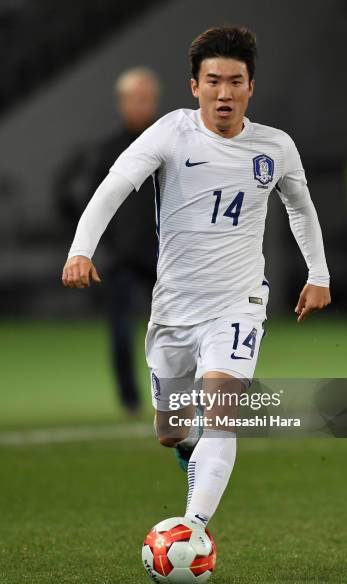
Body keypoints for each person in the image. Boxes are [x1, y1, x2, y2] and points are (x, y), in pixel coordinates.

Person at [62, 26, 331, 528]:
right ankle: (189, 452)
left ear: (252, 86)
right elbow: (114, 186)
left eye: (235, 81)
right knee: (171, 430)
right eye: (213, 81)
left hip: (239, 304)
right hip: (174, 308)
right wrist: (81, 250)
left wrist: (319, 273)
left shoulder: (276, 147)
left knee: (222, 417)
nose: (224, 93)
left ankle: (193, 530)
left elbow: (301, 209)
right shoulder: (171, 132)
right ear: (194, 86)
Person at [58, 68, 160, 414]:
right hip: (121, 257)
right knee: (120, 333)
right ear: (122, 103)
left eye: (147, 98)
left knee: (182, 332)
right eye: (136, 99)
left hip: (165, 255)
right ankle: (130, 400)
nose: (142, 105)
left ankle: (182, 396)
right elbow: (92, 204)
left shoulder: (168, 145)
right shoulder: (107, 152)